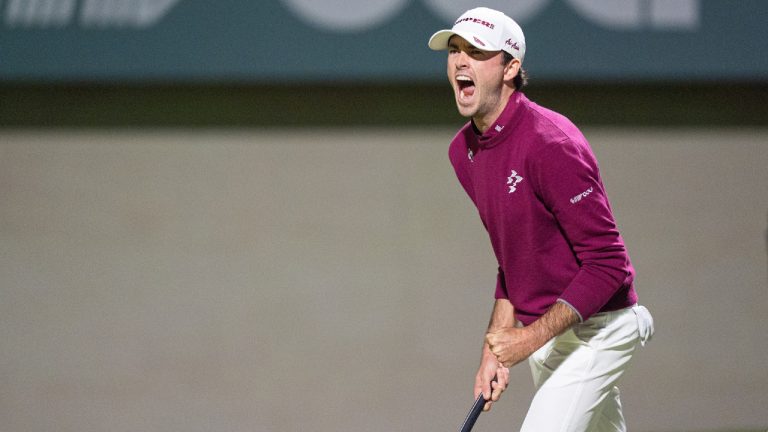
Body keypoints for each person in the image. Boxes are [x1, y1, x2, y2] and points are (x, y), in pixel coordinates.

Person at [428, 7, 654, 432]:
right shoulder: (464, 153)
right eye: (454, 50)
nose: (460, 61)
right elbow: (513, 261)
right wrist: (493, 351)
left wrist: (528, 338)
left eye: (477, 52)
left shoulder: (550, 142)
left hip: (602, 329)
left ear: (511, 67)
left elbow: (609, 264)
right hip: (551, 338)